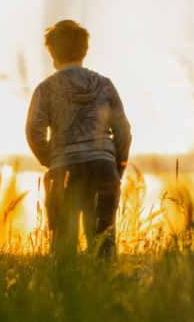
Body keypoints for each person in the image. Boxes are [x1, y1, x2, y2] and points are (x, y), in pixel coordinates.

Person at [25, 20, 131, 259]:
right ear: (84, 50)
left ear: (52, 53)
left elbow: (34, 133)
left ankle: (66, 294)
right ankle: (106, 294)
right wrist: (116, 168)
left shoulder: (45, 89)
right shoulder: (105, 86)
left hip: (64, 171)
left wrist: (54, 159)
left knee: (62, 248)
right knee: (104, 245)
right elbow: (123, 133)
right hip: (103, 168)